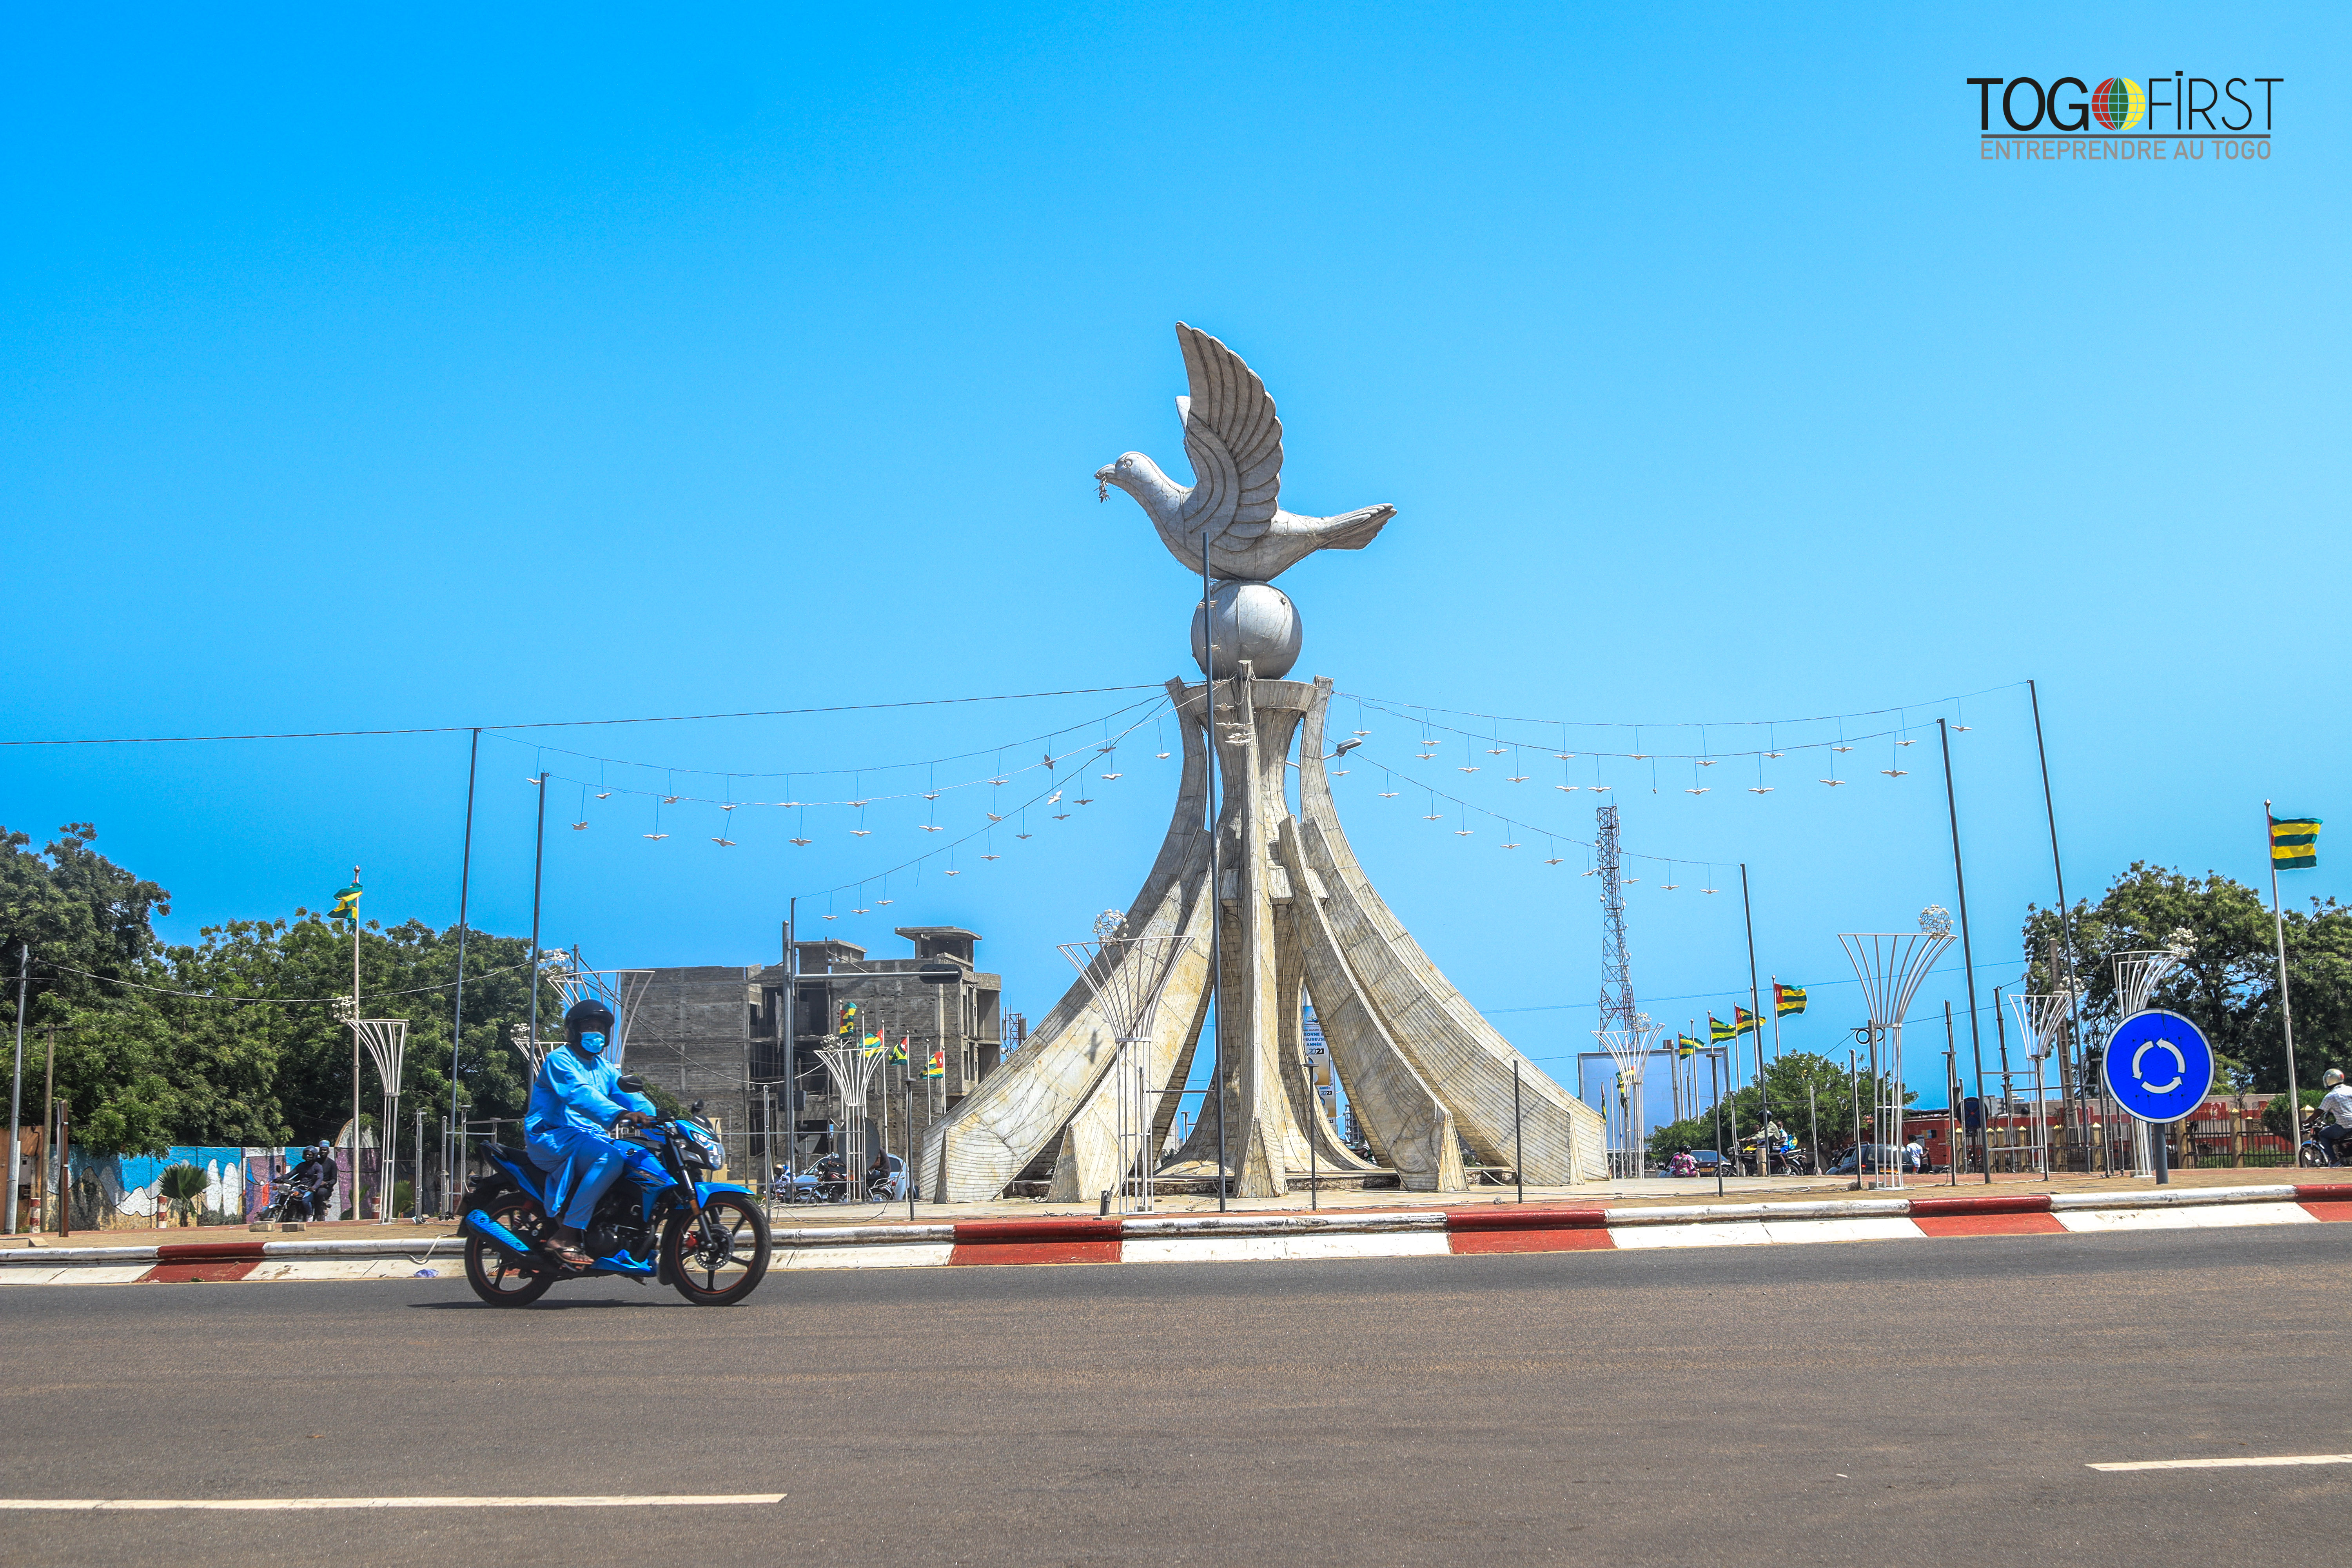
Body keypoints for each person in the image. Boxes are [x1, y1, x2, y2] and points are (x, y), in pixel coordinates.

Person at [524, 998, 660, 1266]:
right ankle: (566, 1234)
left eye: (600, 1028)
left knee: (640, 1159)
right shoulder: (559, 1060)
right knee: (610, 1159)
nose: (596, 1033)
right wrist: (620, 1114)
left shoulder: (605, 1069)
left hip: (588, 1138)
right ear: (574, 1030)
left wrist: (654, 1118)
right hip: (553, 1136)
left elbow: (631, 1096)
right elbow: (578, 1093)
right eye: (589, 1026)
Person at [285, 1142, 338, 1221]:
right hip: (309, 1185)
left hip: (324, 1188)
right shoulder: (314, 1161)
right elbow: (303, 1174)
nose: (323, 1152)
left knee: (319, 1193)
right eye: (322, 1150)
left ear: (328, 1151)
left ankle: (318, 1214)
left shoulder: (332, 1164)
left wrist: (326, 1183)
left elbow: (334, 1180)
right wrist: (290, 1181)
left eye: (325, 1150)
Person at [2318, 1068, 2352, 1164]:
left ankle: (2333, 1159)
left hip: (2344, 1127)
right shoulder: (2350, 1090)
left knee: (2323, 1134)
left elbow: (2320, 1111)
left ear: (2329, 1080)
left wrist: (2307, 1120)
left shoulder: (2331, 1096)